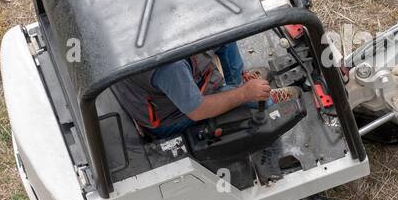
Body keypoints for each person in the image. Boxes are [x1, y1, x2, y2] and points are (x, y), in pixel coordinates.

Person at [112, 42, 297, 140]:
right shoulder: (169, 67)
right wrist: (244, 94)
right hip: (171, 116)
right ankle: (266, 99)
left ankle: (238, 81)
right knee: (253, 101)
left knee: (226, 35)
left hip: (180, 86)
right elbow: (197, 110)